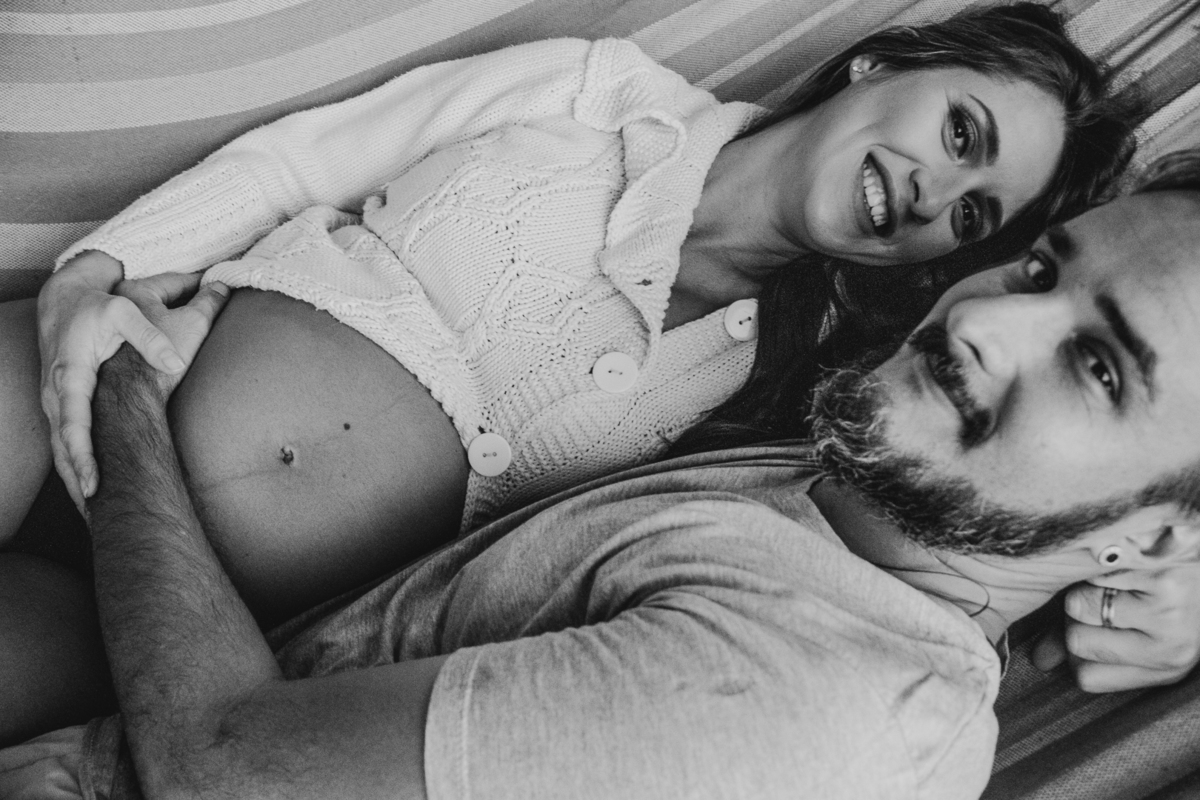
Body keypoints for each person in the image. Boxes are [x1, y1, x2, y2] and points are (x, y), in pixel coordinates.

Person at [7, 147, 1200, 800]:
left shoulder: (832, 707)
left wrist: (124, 390)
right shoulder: (876, 480)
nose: (986, 319)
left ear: (1153, 533)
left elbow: (222, 768)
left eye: (1100, 366)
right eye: (1041, 269)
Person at [10, 5, 1135, 631]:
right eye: (960, 133)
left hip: (165, 615)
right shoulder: (597, 91)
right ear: (884, 62)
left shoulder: (795, 391)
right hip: (94, 380)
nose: (937, 195)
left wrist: (1169, 590)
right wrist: (91, 276)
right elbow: (298, 164)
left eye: (974, 213)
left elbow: (977, 522)